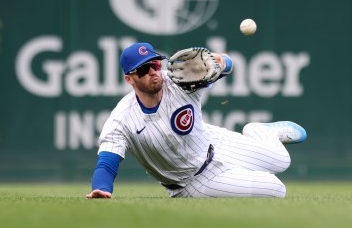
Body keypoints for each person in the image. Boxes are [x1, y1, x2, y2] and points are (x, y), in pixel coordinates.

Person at [86, 42, 307, 198]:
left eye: (155, 64)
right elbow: (107, 163)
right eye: (144, 69)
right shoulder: (122, 119)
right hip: (192, 181)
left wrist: (221, 61)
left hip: (214, 141)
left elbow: (227, 66)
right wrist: (102, 188)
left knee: (282, 160)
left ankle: (260, 132)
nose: (154, 72)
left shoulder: (179, 80)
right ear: (129, 79)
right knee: (276, 188)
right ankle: (240, 174)